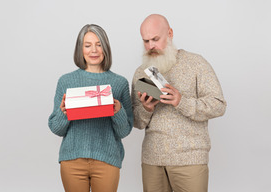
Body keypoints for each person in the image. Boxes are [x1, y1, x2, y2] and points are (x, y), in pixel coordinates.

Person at [131, 14, 227, 192]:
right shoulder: (140, 72)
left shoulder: (196, 63)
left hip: (189, 159)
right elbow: (136, 121)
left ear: (170, 33)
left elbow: (218, 105)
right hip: (153, 160)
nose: (151, 46)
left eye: (155, 39)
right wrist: (146, 109)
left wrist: (181, 101)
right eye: (146, 41)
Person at [48, 24, 133, 192]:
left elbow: (124, 131)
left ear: (105, 48)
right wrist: (64, 112)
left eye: (99, 44)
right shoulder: (66, 81)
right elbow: (56, 128)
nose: (93, 50)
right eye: (88, 45)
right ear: (80, 49)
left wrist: (118, 112)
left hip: (107, 160)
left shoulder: (119, 83)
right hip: (72, 160)